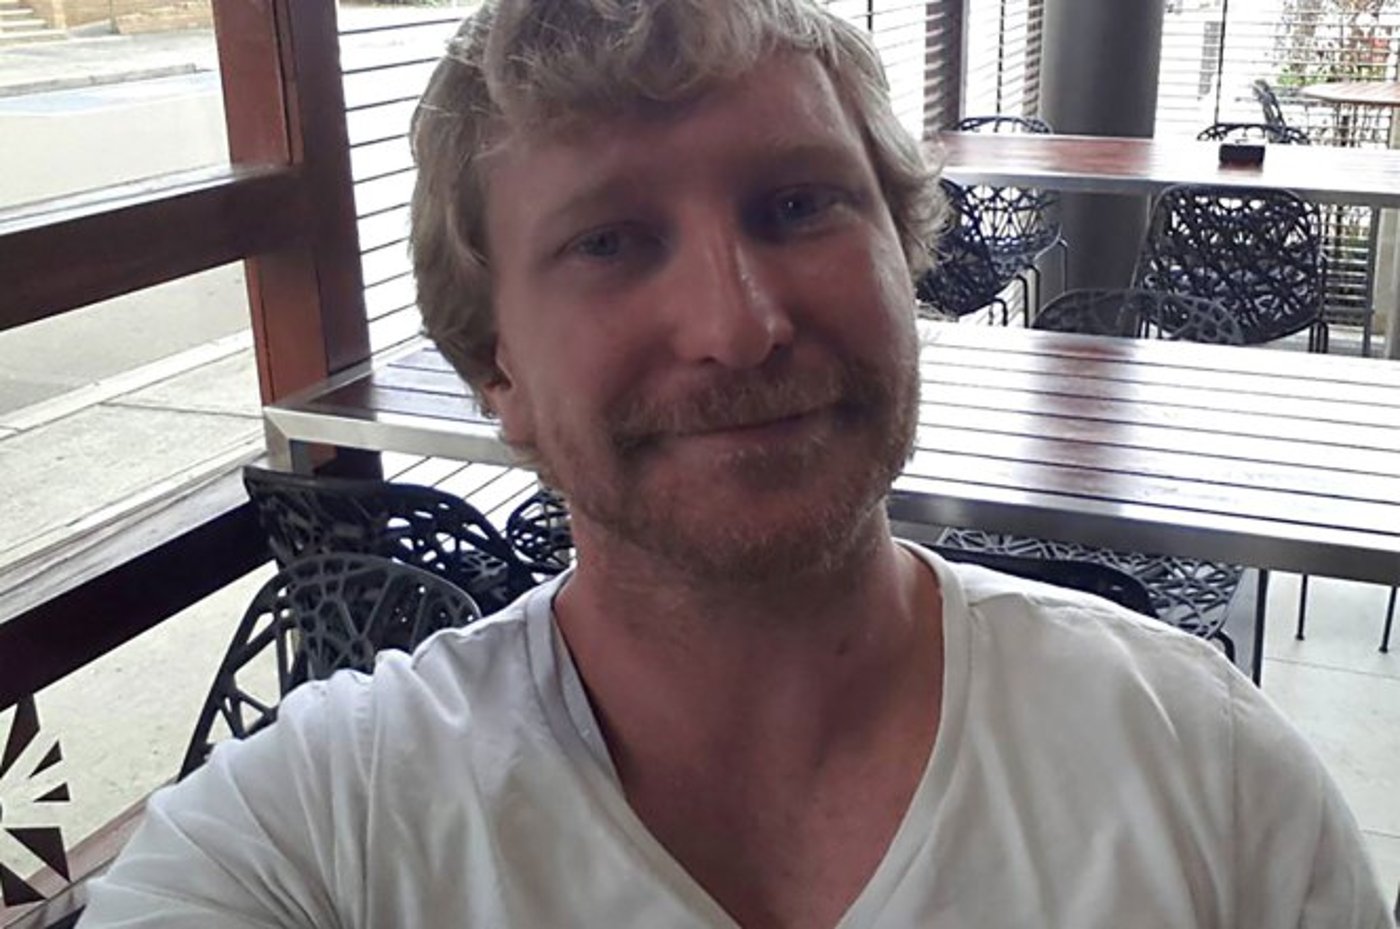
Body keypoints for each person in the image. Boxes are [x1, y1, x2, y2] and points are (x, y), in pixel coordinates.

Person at [82, 1, 1389, 926]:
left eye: (798, 205)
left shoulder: (1210, 775)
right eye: (609, 240)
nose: (739, 323)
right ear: (497, 368)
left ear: (906, 258)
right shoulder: (323, 832)